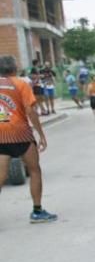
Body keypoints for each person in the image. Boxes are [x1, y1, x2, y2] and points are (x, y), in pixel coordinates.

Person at [0, 56, 56, 223]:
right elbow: (30, 111)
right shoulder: (20, 84)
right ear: (14, 68)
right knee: (34, 170)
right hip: (20, 133)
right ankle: (37, 211)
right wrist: (41, 134)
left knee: (1, 176)